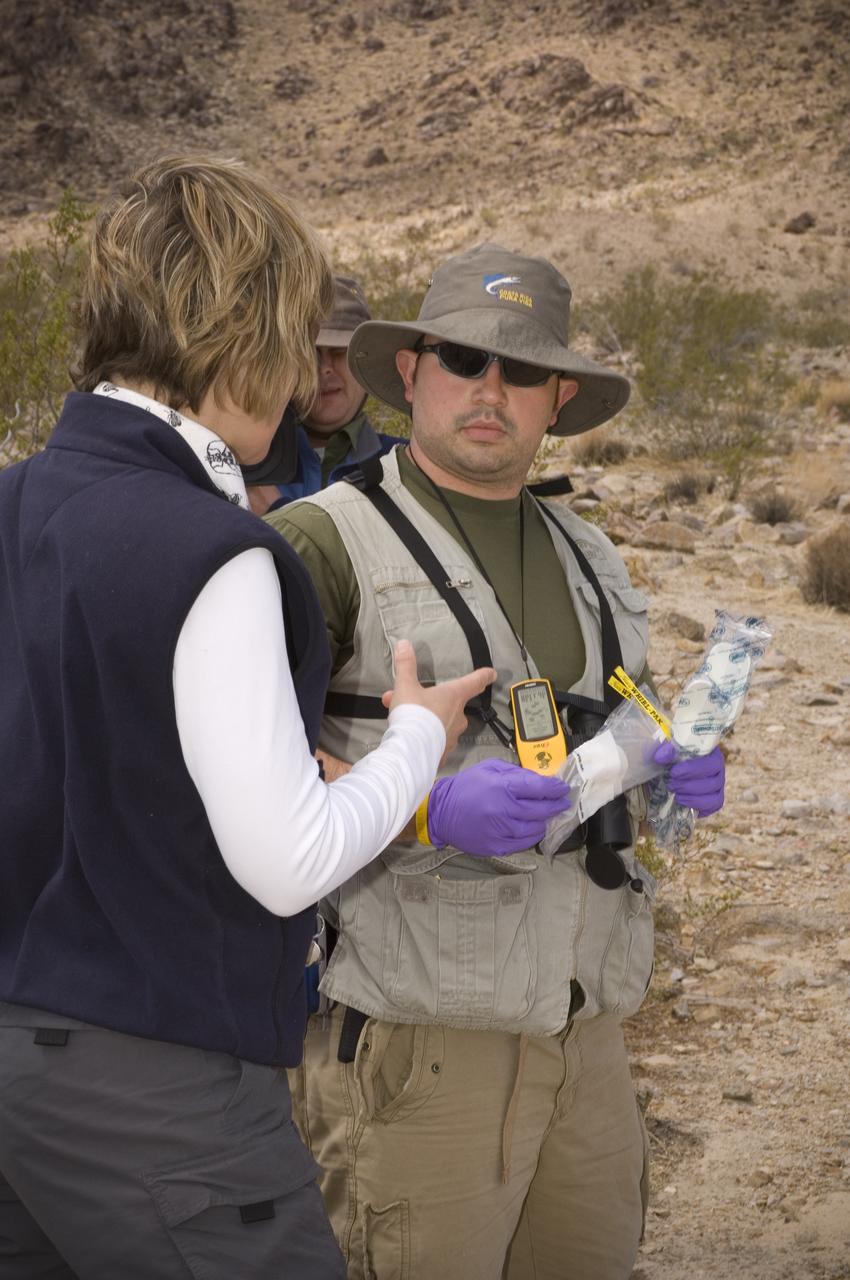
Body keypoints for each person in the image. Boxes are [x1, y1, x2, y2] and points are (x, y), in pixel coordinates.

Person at [0, 160, 501, 1279]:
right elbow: (289, 862)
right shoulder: (215, 550)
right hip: (164, 1093)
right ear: (256, 331)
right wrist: (417, 736)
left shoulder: (17, 501)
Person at [266, 243, 726, 1280]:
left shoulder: (590, 553)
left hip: (589, 1031)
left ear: (557, 396)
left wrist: (673, 772)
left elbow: (621, 724)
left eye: (521, 370)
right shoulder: (321, 545)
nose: (490, 389)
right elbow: (243, 782)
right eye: (464, 359)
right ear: (412, 370)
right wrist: (423, 810)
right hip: (416, 1045)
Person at [242, 274, 406, 515]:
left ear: (365, 365)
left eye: (340, 352)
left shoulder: (406, 466)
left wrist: (275, 510)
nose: (325, 367)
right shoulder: (240, 461)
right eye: (310, 353)